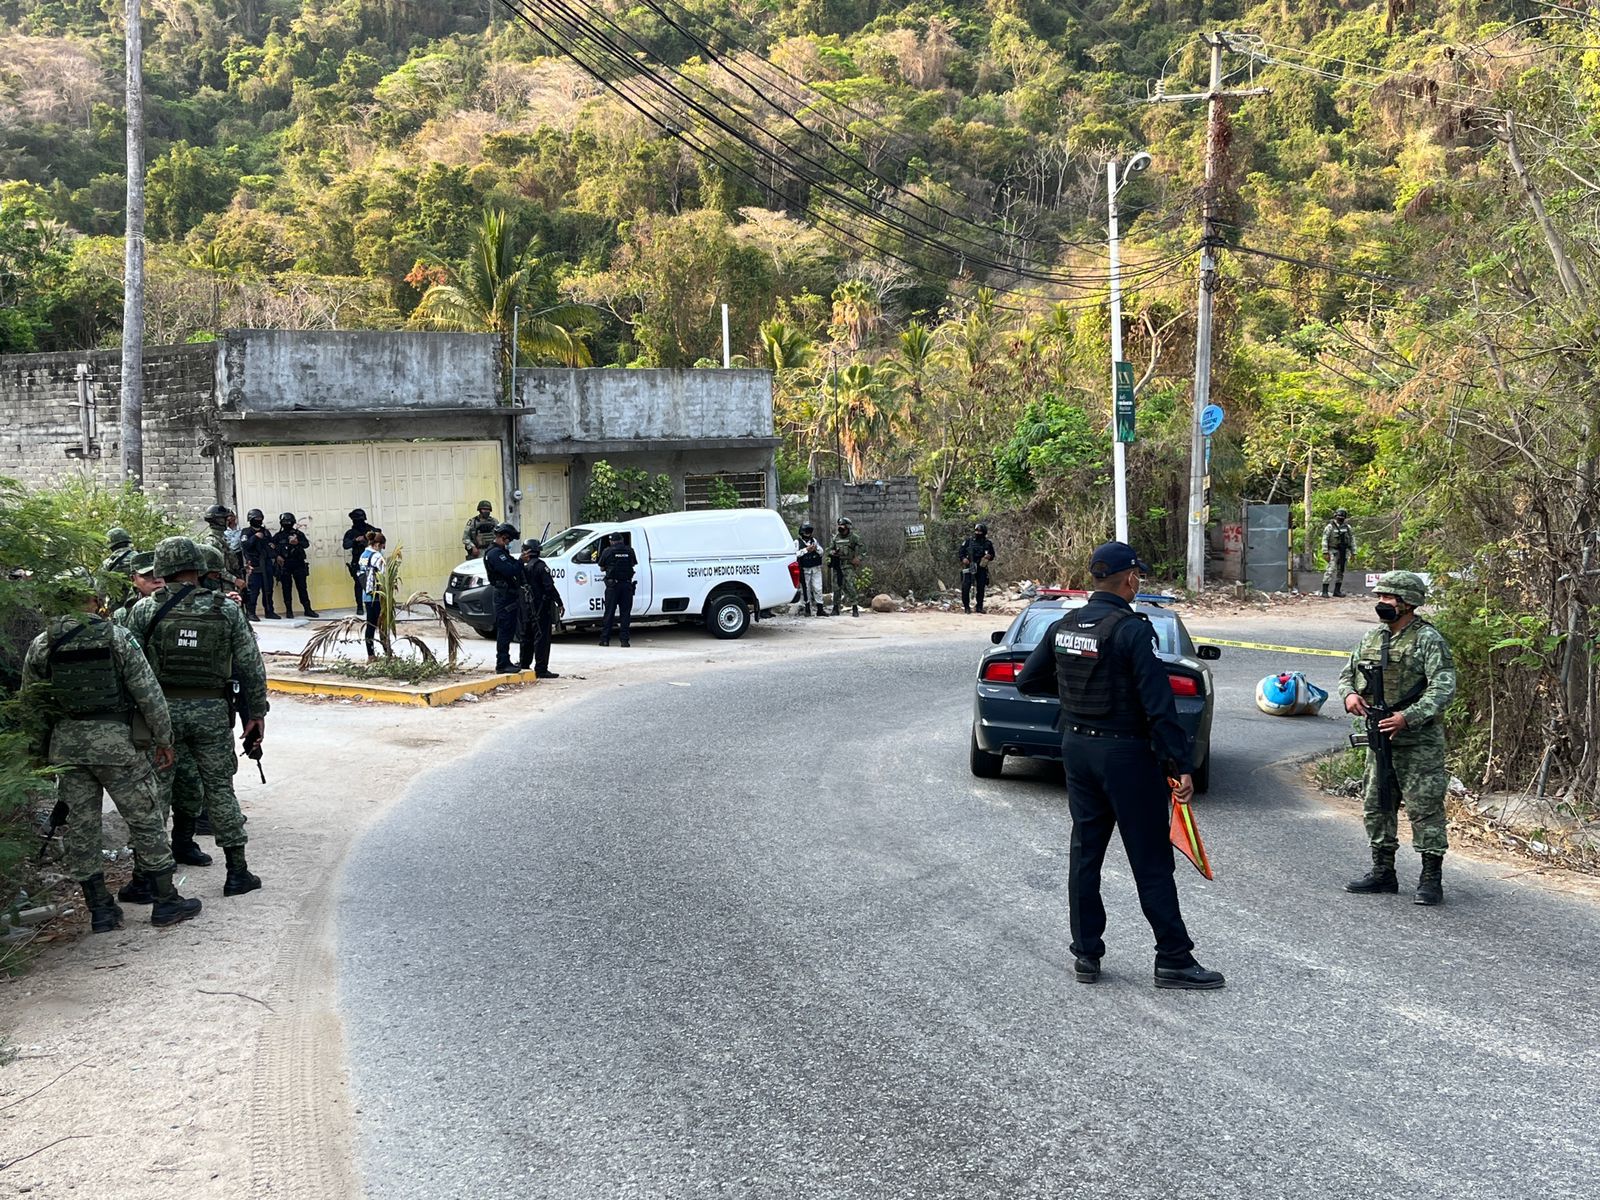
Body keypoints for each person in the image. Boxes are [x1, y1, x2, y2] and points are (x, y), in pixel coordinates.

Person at [1015, 540, 1224, 991]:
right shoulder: (1131, 630)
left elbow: (1028, 680)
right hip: (1126, 756)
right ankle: (1173, 959)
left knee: (1086, 854)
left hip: (1077, 749)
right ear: (1130, 579)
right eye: (1138, 576)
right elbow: (1158, 705)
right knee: (1151, 860)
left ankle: (1086, 954)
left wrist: (1075, 694)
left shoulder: (1064, 625)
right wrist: (1180, 765)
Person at [20, 571, 201, 929]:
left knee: (82, 828)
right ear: (94, 598)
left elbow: (32, 707)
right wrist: (164, 740)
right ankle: (166, 901)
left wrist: (40, 755)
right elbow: (148, 694)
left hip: (69, 751)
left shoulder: (42, 644)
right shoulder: (116, 637)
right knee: (145, 819)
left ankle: (100, 910)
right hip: (119, 747)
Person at [126, 536, 268, 897]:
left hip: (161, 715)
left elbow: (129, 670)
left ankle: (146, 878)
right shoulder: (226, 609)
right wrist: (256, 713)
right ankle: (237, 872)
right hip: (212, 713)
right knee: (219, 788)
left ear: (162, 568)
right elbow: (251, 666)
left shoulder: (143, 611)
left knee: (156, 792)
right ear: (198, 567)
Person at [1338, 570, 1457, 905]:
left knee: (1425, 808)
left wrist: (1408, 717)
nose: (1382, 602)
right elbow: (1347, 674)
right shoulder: (1372, 637)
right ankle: (1383, 872)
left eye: (1388, 597)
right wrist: (1350, 695)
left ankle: (1431, 879)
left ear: (1407, 602)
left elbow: (1443, 687)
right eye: (1380, 597)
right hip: (1379, 737)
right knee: (1377, 805)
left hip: (1418, 741)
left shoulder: (1427, 639)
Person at [517, 538, 560, 679]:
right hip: (540, 608)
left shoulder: (521, 567)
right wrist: (559, 602)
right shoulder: (541, 566)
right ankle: (541, 669)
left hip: (525, 608)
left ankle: (524, 665)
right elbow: (549, 587)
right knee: (542, 638)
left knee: (526, 636)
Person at [483, 522, 522, 672]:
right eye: (509, 539)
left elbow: (512, 564)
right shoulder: (495, 554)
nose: (509, 543)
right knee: (505, 630)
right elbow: (510, 570)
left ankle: (506, 661)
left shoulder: (501, 552)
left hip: (507, 595)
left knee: (509, 629)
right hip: (503, 596)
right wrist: (521, 562)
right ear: (504, 537)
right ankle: (502, 663)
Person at [271, 512, 319, 618]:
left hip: (298, 564)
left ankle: (307, 609)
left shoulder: (298, 534)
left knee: (302, 588)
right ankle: (289, 611)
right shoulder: (278, 536)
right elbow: (271, 547)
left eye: (289, 522)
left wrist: (297, 543)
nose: (287, 524)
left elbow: (306, 544)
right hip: (284, 565)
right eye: (285, 522)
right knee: (286, 589)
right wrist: (277, 556)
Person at [598, 531, 639, 647]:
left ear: (611, 541)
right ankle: (624, 641)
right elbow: (633, 564)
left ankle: (605, 640)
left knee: (609, 613)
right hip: (626, 585)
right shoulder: (630, 551)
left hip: (613, 586)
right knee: (625, 614)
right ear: (622, 540)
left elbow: (601, 567)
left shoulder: (607, 551)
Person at [239, 508, 278, 622]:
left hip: (267, 565)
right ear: (251, 519)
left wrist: (272, 547)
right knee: (253, 591)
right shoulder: (246, 532)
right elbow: (245, 546)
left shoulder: (265, 532)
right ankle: (251, 613)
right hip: (255, 565)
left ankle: (269, 611)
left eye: (260, 518)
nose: (259, 520)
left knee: (268, 589)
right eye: (256, 518)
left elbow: (271, 544)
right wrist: (255, 537)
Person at [112, 550, 162, 626]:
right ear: (133, 580)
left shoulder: (180, 603)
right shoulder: (123, 615)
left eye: (160, 573)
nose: (157, 580)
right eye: (148, 575)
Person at [358, 530, 387, 659]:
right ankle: (387, 652)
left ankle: (370, 654)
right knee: (382, 625)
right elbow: (383, 575)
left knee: (370, 625)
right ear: (377, 544)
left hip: (366, 595)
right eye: (382, 547)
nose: (382, 550)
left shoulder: (363, 555)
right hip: (377, 596)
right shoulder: (377, 556)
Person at [828, 517, 864, 618]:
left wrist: (858, 558)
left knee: (850, 586)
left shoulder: (854, 537)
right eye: (839, 525)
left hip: (848, 565)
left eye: (842, 525)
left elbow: (863, 549)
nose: (840, 527)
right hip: (838, 565)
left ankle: (855, 608)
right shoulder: (836, 538)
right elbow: (829, 549)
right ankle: (835, 608)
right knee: (836, 587)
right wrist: (833, 552)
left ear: (847, 527)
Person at [200, 503, 243, 586]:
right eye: (226, 519)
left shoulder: (222, 538)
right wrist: (235, 580)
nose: (228, 521)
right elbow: (213, 569)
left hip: (229, 584)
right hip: (220, 586)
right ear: (219, 520)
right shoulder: (211, 542)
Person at [958, 522, 996, 615]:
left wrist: (988, 556)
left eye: (980, 531)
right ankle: (967, 607)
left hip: (981, 567)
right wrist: (964, 559)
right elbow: (961, 552)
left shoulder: (987, 543)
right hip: (970, 566)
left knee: (981, 587)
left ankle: (979, 607)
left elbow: (992, 555)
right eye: (976, 531)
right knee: (966, 587)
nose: (978, 533)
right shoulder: (969, 541)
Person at [343, 508, 374, 609]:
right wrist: (355, 540)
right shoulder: (351, 533)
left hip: (370, 561)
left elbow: (379, 534)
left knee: (372, 584)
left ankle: (371, 605)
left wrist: (368, 537)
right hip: (358, 561)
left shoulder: (370, 529)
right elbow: (346, 545)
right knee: (359, 584)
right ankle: (360, 606)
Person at [1322, 508, 1356, 597]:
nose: (1340, 519)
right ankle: (1324, 591)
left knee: (1341, 570)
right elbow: (1325, 539)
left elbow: (1352, 540)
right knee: (1330, 570)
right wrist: (1325, 552)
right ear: (1335, 516)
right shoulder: (1330, 527)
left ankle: (1337, 591)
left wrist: (1353, 553)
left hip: (1344, 551)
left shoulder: (1347, 527)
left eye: (1342, 517)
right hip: (1333, 550)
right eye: (1339, 517)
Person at [796, 523, 824, 616]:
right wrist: (806, 550)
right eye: (806, 532)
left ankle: (820, 609)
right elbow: (795, 554)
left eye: (809, 532)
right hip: (804, 569)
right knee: (805, 589)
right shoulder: (797, 542)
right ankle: (807, 608)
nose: (808, 534)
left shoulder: (814, 541)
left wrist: (816, 549)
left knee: (818, 588)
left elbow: (821, 552)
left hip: (816, 568)